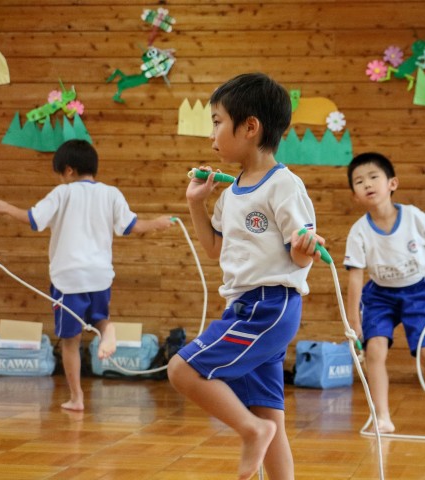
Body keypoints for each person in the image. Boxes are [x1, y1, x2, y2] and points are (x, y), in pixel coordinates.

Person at [167, 73, 326, 480]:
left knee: (182, 370)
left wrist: (304, 249)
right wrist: (196, 205)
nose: (212, 135)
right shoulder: (234, 189)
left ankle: (251, 431)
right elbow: (217, 249)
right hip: (245, 305)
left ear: (250, 127)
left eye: (217, 122)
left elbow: (299, 252)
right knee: (270, 412)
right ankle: (259, 427)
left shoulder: (284, 186)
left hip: (267, 307)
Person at [0, 139, 173, 411]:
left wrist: (6, 207)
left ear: (69, 170)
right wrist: (157, 224)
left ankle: (77, 398)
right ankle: (107, 331)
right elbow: (132, 226)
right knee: (100, 318)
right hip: (100, 275)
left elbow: (34, 220)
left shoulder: (62, 194)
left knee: (70, 342)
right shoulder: (111, 194)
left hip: (68, 278)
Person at [343, 151, 425, 433]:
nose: (367, 184)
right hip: (379, 296)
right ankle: (382, 417)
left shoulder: (413, 217)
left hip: (419, 293)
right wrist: (353, 320)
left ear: (392, 184)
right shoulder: (358, 232)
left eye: (374, 177)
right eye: (359, 181)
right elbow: (355, 280)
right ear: (355, 196)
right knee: (374, 351)